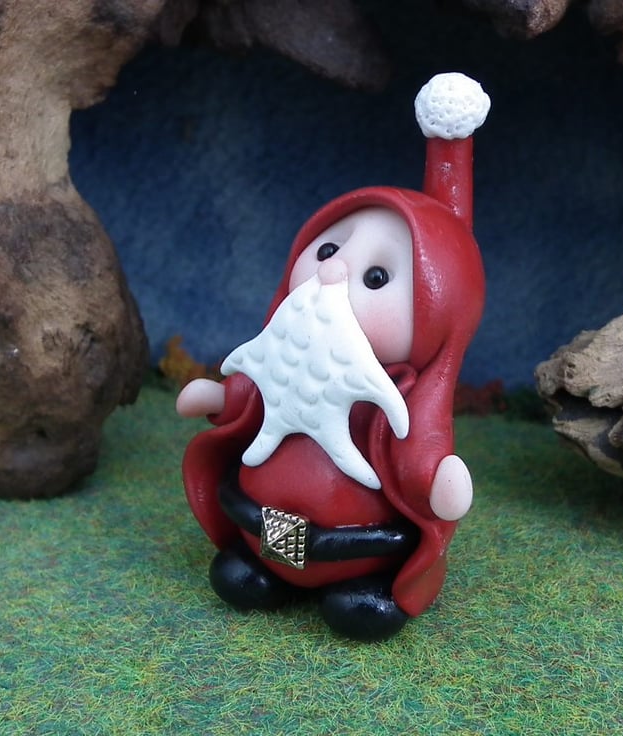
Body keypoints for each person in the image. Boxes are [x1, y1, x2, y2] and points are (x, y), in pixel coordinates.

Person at [178, 72, 490, 640]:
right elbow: (257, 392)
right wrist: (222, 398)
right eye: (327, 248)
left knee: (358, 612)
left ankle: (361, 586)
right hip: (258, 519)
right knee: (240, 578)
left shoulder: (398, 392)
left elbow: (418, 448)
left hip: (355, 545)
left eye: (377, 277)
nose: (334, 271)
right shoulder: (291, 346)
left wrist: (438, 481)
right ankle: (269, 567)